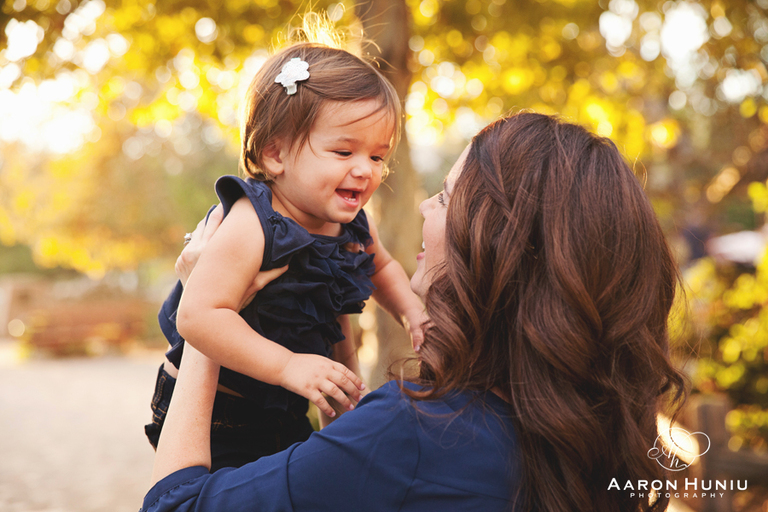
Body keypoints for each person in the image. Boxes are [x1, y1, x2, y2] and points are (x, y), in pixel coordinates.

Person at [142, 112, 687, 512]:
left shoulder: (415, 434)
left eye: (445, 198)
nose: (425, 205)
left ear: (493, 244)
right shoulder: (589, 427)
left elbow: (174, 507)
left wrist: (207, 310)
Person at [144, 41, 426, 471]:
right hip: (219, 411)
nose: (365, 170)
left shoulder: (352, 222)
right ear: (275, 154)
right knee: (230, 494)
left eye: (377, 156)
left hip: (287, 400)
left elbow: (381, 267)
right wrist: (288, 365)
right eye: (344, 152)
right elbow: (198, 316)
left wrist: (412, 313)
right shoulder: (253, 222)